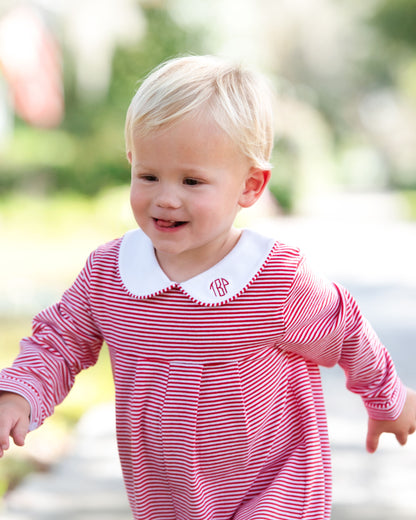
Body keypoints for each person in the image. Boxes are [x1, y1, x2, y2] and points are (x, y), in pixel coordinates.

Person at [0, 55, 415, 520]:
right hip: (167, 496)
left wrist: (388, 400)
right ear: (132, 164)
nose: (166, 197)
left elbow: (348, 333)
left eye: (192, 180)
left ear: (250, 186)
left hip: (274, 483)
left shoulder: (276, 279)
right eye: (148, 176)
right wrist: (19, 394)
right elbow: (59, 342)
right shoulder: (110, 275)